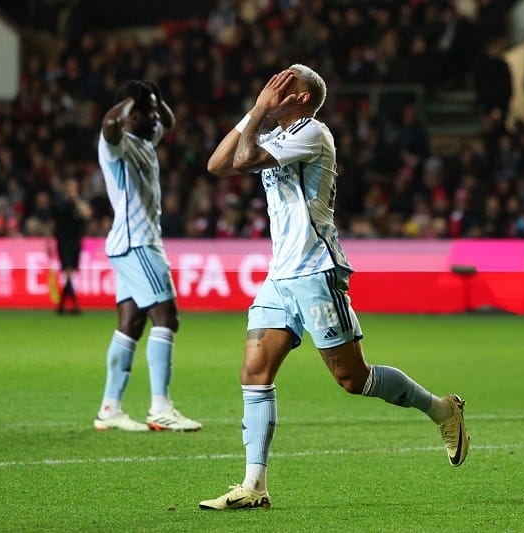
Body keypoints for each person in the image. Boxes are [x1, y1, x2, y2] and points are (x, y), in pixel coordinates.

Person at [199, 65, 469, 510]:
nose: (271, 91)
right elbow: (216, 165)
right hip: (280, 276)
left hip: (316, 269)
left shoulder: (312, 133)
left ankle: (442, 409)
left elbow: (243, 160)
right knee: (254, 372)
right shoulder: (277, 134)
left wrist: (260, 112)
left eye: (282, 88)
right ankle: (254, 486)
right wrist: (256, 112)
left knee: (352, 378)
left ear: (302, 99)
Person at [94, 79, 201, 432]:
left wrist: (153, 95)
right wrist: (129, 101)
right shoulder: (116, 144)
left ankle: (110, 408)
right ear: (129, 113)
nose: (156, 116)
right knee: (167, 317)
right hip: (137, 243)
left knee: (131, 325)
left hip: (131, 243)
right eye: (148, 111)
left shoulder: (144, 139)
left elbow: (168, 123)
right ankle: (160, 407)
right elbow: (109, 125)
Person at [51, 177, 92, 314]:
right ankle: (72, 304)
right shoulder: (59, 204)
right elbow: (52, 223)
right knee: (68, 270)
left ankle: (62, 305)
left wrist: (76, 200)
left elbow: (88, 214)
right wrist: (48, 242)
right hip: (63, 241)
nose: (72, 191)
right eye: (70, 188)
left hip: (76, 241)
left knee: (72, 271)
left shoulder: (79, 203)